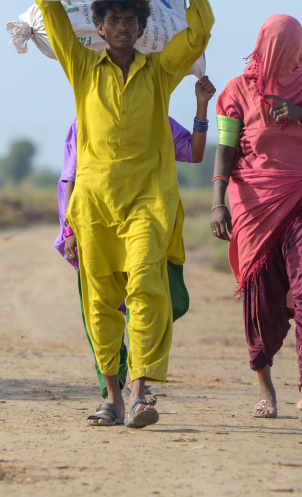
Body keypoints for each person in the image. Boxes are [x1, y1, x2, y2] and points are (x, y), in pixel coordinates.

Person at [35, 0, 211, 428]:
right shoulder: (82, 68)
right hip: (93, 205)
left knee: (146, 288)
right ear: (98, 26)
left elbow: (199, 34)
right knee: (99, 300)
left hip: (148, 201)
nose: (122, 27)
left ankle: (139, 393)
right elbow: (49, 13)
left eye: (131, 20)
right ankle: (109, 398)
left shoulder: (159, 74)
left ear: (140, 27)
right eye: (113, 19)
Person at [209, 14, 302, 423]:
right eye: (274, 46)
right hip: (254, 207)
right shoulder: (236, 92)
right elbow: (226, 150)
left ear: (300, 49)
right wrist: (218, 201)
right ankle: (265, 388)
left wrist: (301, 115)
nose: (279, 55)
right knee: (261, 299)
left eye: (287, 47)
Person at [56, 77, 216, 412]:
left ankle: (137, 391)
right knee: (101, 311)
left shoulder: (159, 121)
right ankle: (113, 397)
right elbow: (71, 176)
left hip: (146, 223)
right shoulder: (85, 120)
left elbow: (195, 152)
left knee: (149, 300)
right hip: (97, 225)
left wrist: (201, 104)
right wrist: (69, 229)